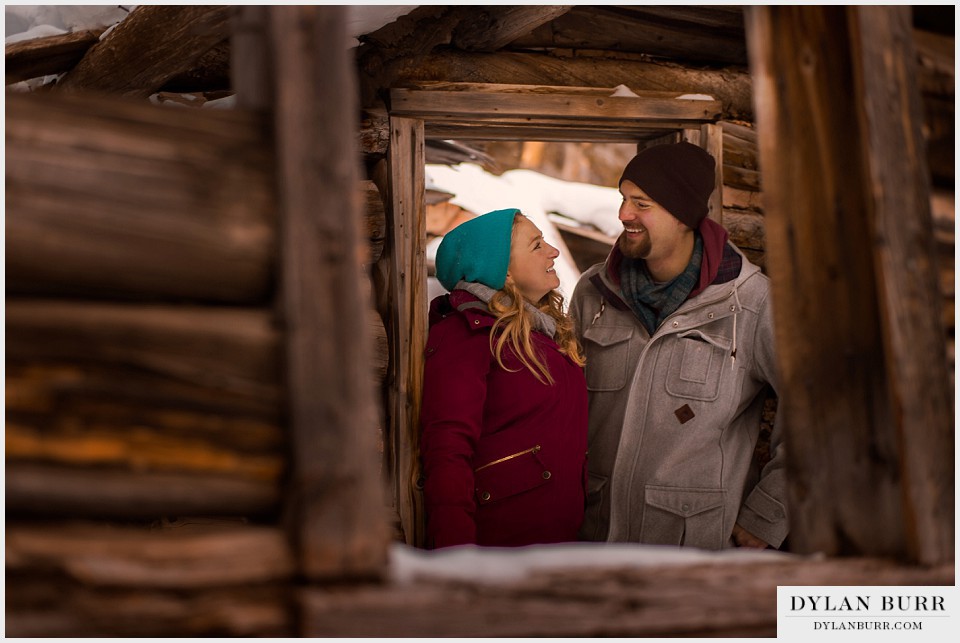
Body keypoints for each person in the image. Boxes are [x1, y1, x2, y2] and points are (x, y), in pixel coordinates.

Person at [569, 142, 787, 550]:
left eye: (641, 203)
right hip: (593, 537)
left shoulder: (753, 304)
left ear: (684, 215)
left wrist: (766, 517)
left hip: (692, 548)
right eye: (623, 199)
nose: (623, 215)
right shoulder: (593, 293)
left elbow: (817, 415)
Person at [420, 208, 588, 548]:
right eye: (537, 245)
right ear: (503, 270)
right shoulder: (466, 334)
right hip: (497, 546)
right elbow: (447, 447)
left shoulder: (548, 334)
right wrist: (456, 550)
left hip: (557, 541)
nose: (552, 252)